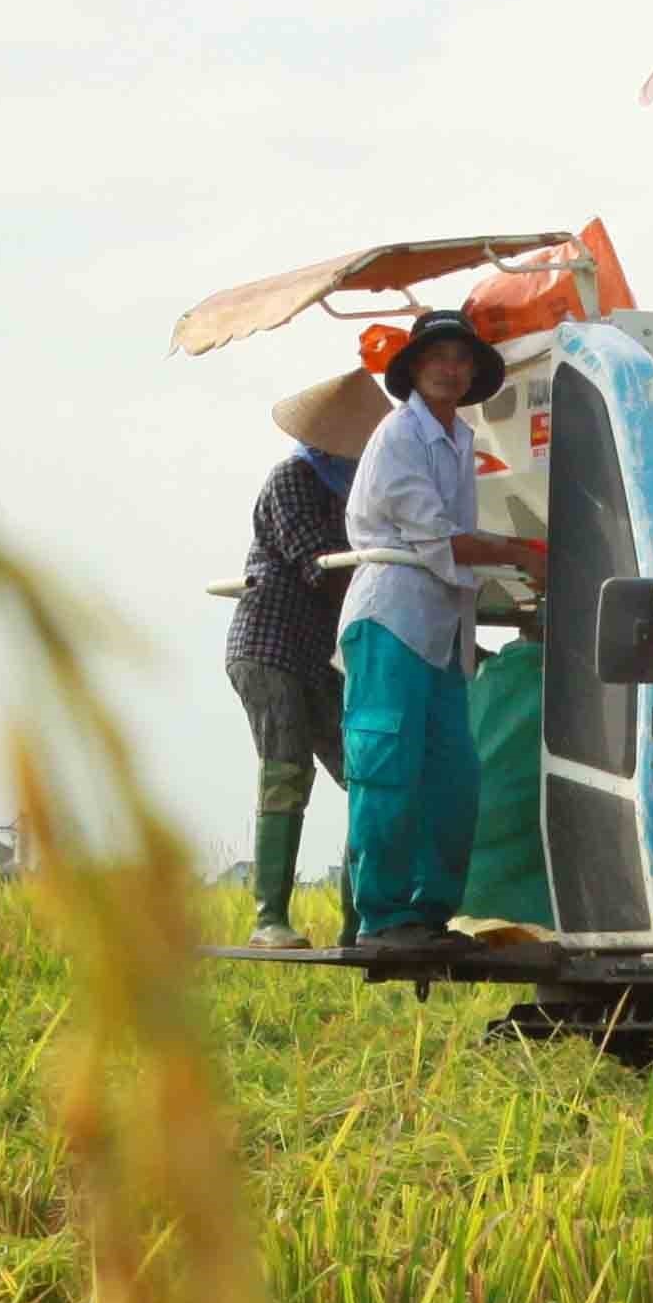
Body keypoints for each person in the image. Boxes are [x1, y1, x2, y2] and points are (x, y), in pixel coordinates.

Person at [339, 311, 542, 948]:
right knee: (387, 769)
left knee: (452, 777)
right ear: (416, 369)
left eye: (461, 359)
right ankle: (383, 915)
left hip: (441, 627)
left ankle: (430, 912)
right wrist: (529, 551)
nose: (451, 370)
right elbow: (438, 536)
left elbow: (456, 547)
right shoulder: (398, 436)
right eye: (439, 358)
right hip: (392, 618)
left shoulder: (458, 439)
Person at [229, 368, 381, 946]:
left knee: (366, 774)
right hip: (272, 647)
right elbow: (316, 562)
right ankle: (269, 918)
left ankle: (359, 918)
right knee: (285, 770)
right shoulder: (293, 479)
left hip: (322, 655)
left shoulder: (349, 489)